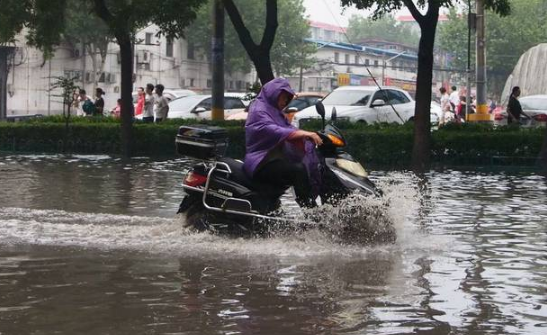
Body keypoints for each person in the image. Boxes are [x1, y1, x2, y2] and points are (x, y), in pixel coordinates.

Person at [244, 78, 322, 208]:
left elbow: (288, 128)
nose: (285, 101)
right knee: (298, 170)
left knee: (305, 166)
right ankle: (310, 211)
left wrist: (309, 135)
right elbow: (270, 129)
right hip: (261, 163)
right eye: (284, 97)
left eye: (287, 98)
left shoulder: (273, 110)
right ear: (274, 93)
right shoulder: (259, 109)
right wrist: (303, 134)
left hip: (273, 159)